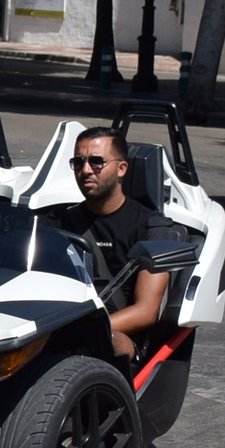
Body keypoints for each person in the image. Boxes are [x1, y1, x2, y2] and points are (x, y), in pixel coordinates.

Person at [52, 128, 171, 360]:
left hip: (116, 336)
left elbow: (146, 311)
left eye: (97, 162)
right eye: (78, 162)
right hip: (56, 325)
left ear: (121, 168)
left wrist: (79, 331)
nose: (86, 170)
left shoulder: (152, 228)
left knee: (107, 340)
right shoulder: (56, 221)